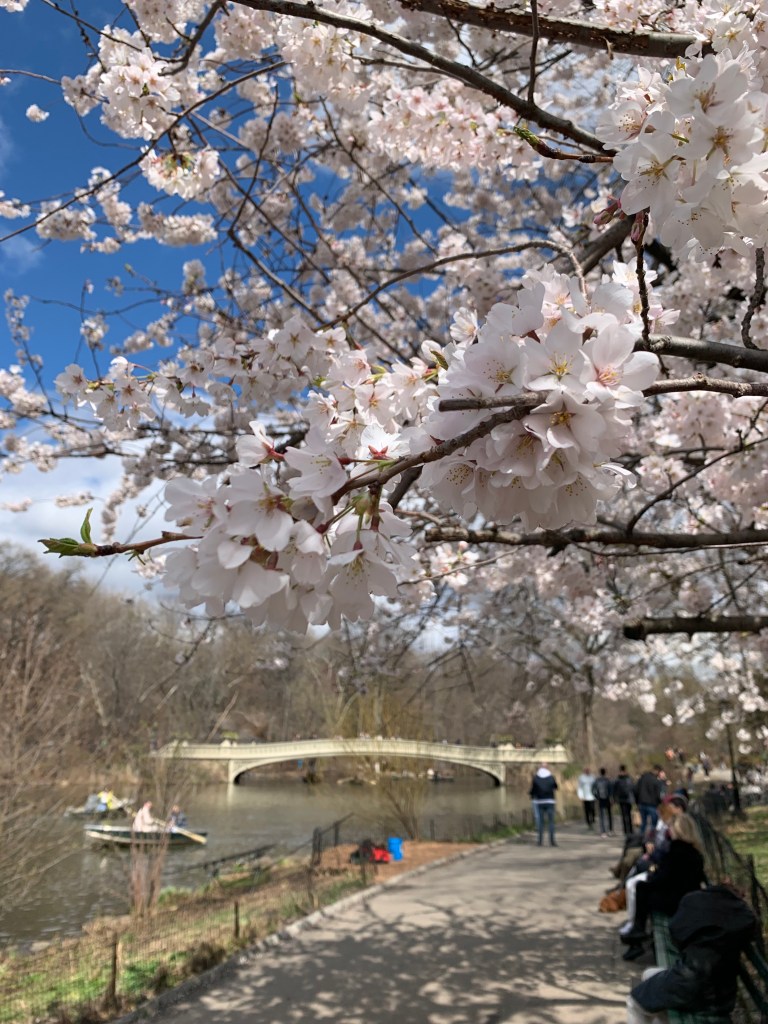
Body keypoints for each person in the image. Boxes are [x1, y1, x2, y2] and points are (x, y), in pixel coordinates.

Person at [626, 885, 757, 1023]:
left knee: (634, 1001)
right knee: (649, 974)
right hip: (723, 995)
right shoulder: (744, 917)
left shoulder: (695, 899)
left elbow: (676, 934)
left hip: (691, 986)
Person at [621, 813, 706, 961]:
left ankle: (637, 933)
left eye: (671, 828)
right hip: (687, 897)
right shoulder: (695, 852)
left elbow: (662, 879)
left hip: (675, 901)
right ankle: (636, 935)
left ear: (678, 830)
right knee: (643, 887)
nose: (669, 831)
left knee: (641, 888)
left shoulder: (676, 851)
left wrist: (652, 877)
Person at [529, 762, 558, 847]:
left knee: (541, 822)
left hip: (540, 801)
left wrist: (532, 795)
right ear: (547, 768)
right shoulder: (551, 777)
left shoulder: (536, 778)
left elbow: (533, 790)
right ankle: (552, 841)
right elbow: (555, 787)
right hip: (550, 801)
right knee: (551, 822)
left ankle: (540, 841)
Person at [634, 765, 664, 838]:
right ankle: (651, 839)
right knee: (653, 824)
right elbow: (658, 794)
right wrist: (660, 803)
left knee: (643, 824)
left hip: (642, 803)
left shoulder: (642, 778)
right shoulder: (656, 781)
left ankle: (641, 838)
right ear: (657, 771)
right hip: (652, 805)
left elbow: (636, 790)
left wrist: (637, 802)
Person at [592, 767, 614, 837]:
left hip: (600, 799)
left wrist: (596, 797)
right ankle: (610, 830)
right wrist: (612, 798)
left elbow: (593, 790)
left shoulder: (597, 781)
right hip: (607, 799)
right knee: (609, 815)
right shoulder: (608, 780)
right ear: (605, 772)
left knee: (602, 816)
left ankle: (603, 832)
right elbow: (611, 790)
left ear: (600, 773)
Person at [614, 765, 635, 836]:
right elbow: (633, 788)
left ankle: (625, 830)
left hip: (621, 800)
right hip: (629, 799)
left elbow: (615, 790)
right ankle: (630, 830)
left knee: (623, 815)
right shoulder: (629, 778)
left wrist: (615, 799)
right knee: (629, 815)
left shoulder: (617, 779)